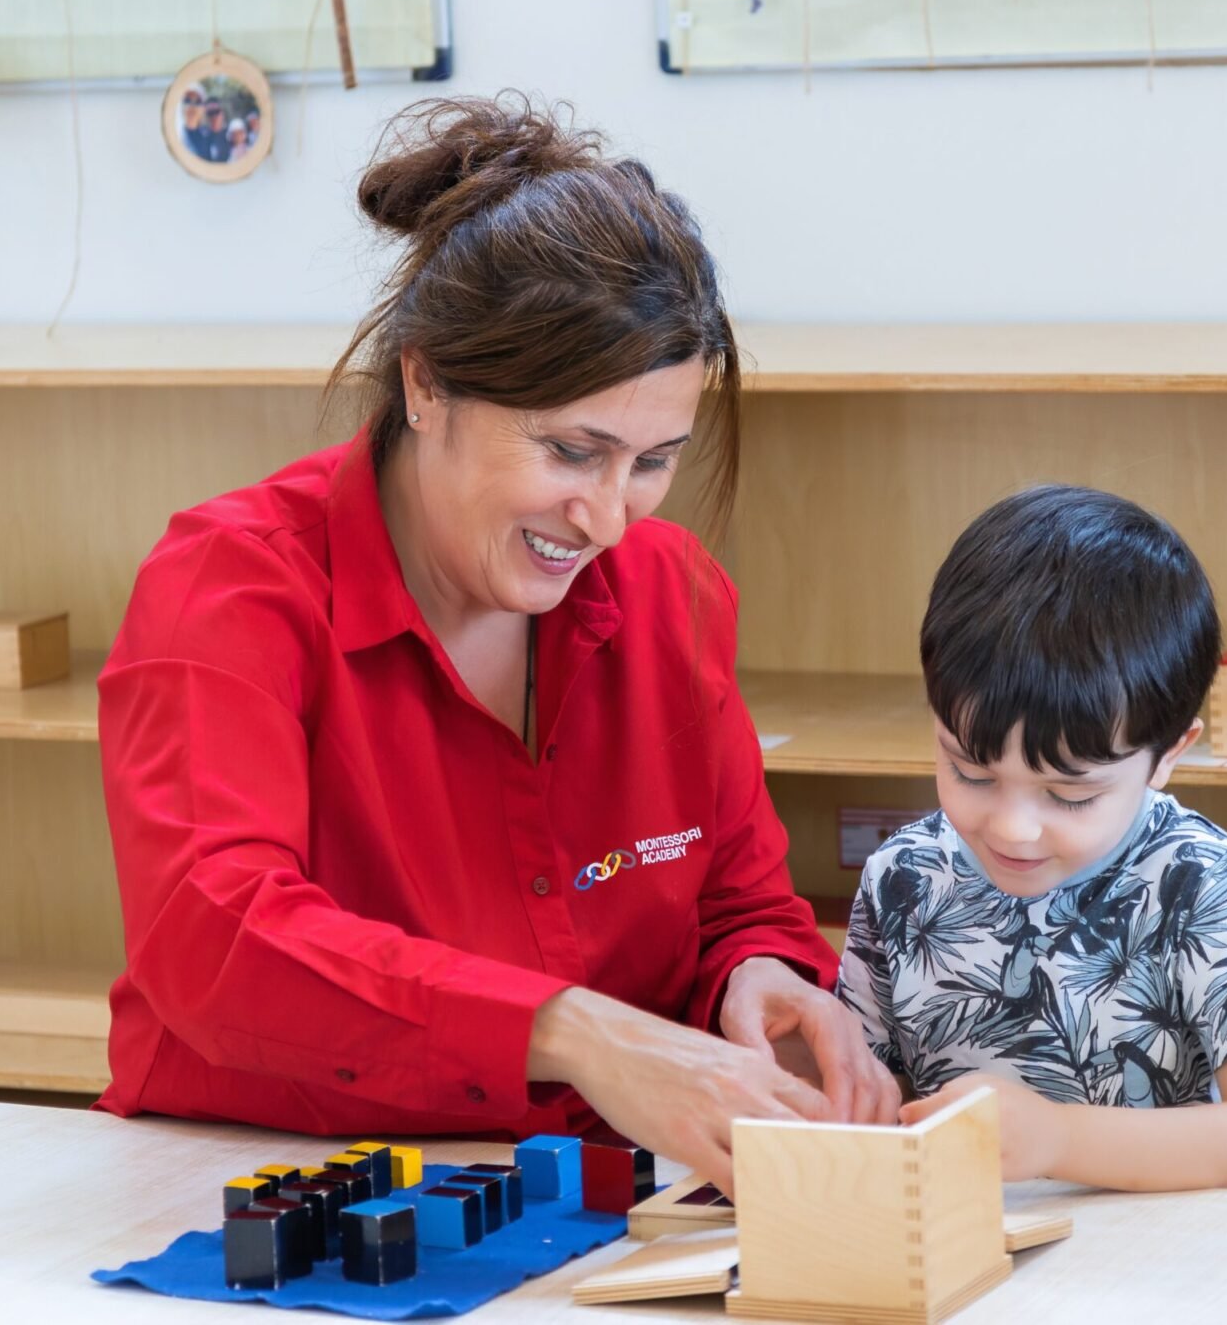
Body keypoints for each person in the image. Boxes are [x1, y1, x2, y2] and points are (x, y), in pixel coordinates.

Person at [97, 95, 899, 1191]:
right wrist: (575, 1032)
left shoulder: (665, 592)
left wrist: (759, 977)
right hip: (258, 1186)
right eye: (572, 451)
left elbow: (734, 900)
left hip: (580, 1205)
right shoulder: (229, 589)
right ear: (425, 384)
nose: (609, 519)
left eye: (653, 459)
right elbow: (217, 940)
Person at [838, 486, 1227, 1191]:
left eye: (1071, 794)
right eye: (970, 771)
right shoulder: (904, 878)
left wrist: (1057, 1139)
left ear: (1167, 755)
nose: (1012, 827)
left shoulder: (1199, 882)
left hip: (1167, 1281)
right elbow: (858, 1095)